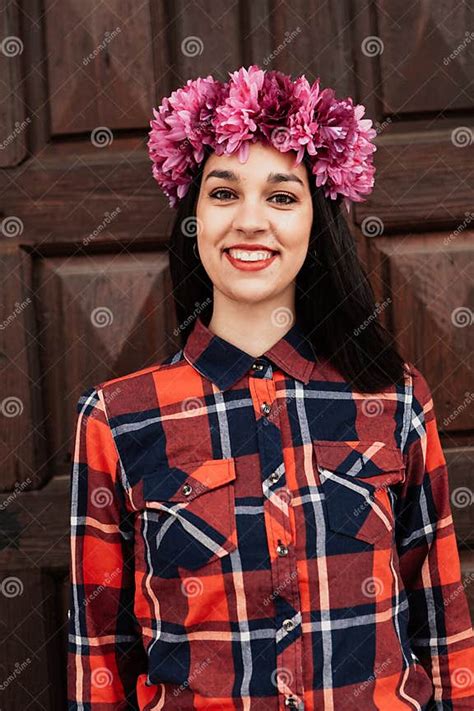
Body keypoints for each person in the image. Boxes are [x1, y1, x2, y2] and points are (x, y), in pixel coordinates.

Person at [67, 65, 474, 710]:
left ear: (317, 221)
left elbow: (445, 625)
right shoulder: (118, 419)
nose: (250, 221)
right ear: (193, 217)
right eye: (223, 193)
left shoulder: (394, 401)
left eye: (282, 196)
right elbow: (99, 659)